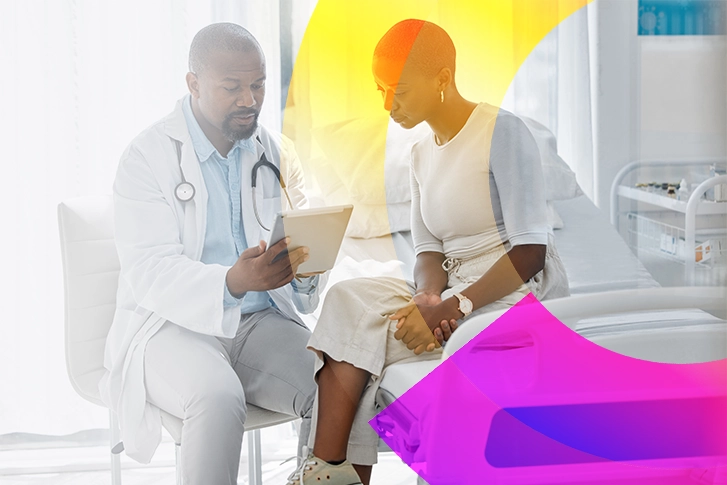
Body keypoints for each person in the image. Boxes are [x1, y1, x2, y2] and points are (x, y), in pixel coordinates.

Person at [286, 19, 569, 485]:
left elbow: (531, 250)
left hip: (511, 290)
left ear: (442, 78)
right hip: (451, 292)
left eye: (397, 89)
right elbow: (427, 250)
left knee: (385, 346)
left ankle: (335, 476)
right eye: (379, 90)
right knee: (349, 301)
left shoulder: (502, 131)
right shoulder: (419, 153)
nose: (386, 104)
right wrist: (427, 300)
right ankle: (328, 475)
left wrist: (457, 305)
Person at [100, 23, 325, 485]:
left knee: (334, 384)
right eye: (232, 87)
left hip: (259, 322)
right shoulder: (147, 157)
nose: (250, 99)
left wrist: (303, 268)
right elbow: (149, 271)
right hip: (170, 327)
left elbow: (303, 261)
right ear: (194, 84)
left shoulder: (276, 152)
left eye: (258, 84)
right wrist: (233, 282)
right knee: (217, 395)